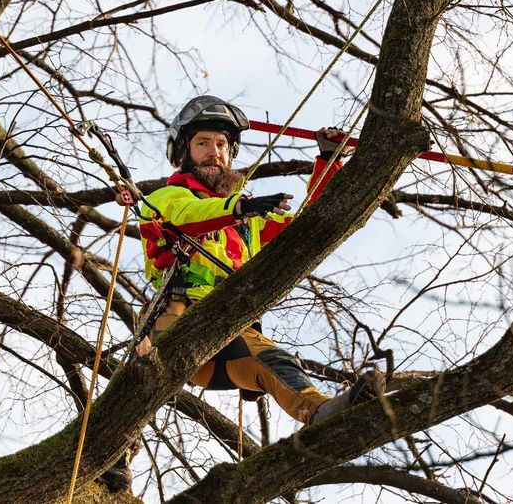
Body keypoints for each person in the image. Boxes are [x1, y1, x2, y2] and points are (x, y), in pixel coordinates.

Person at [138, 95, 377, 425]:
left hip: (228, 335)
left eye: (222, 144)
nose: (214, 151)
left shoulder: (250, 221)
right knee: (141, 382)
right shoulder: (165, 198)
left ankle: (323, 412)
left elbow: (311, 228)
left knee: (274, 361)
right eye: (203, 142)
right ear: (184, 152)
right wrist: (239, 208)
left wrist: (328, 160)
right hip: (175, 322)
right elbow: (188, 216)